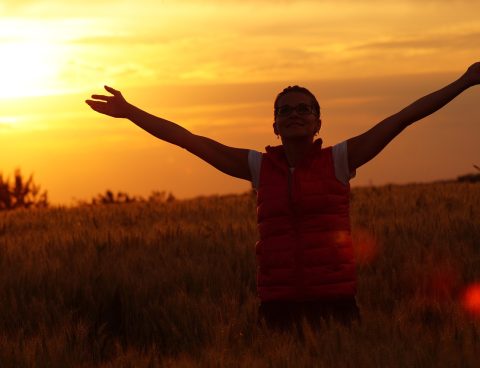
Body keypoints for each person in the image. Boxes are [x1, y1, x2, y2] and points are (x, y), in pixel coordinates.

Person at [86, 62, 480, 330]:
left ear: (318, 121)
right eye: (286, 110)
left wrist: (464, 81)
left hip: (336, 306)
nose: (295, 114)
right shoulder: (257, 167)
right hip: (277, 308)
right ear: (274, 125)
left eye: (304, 109)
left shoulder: (342, 159)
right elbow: (188, 140)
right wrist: (131, 111)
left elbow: (404, 116)